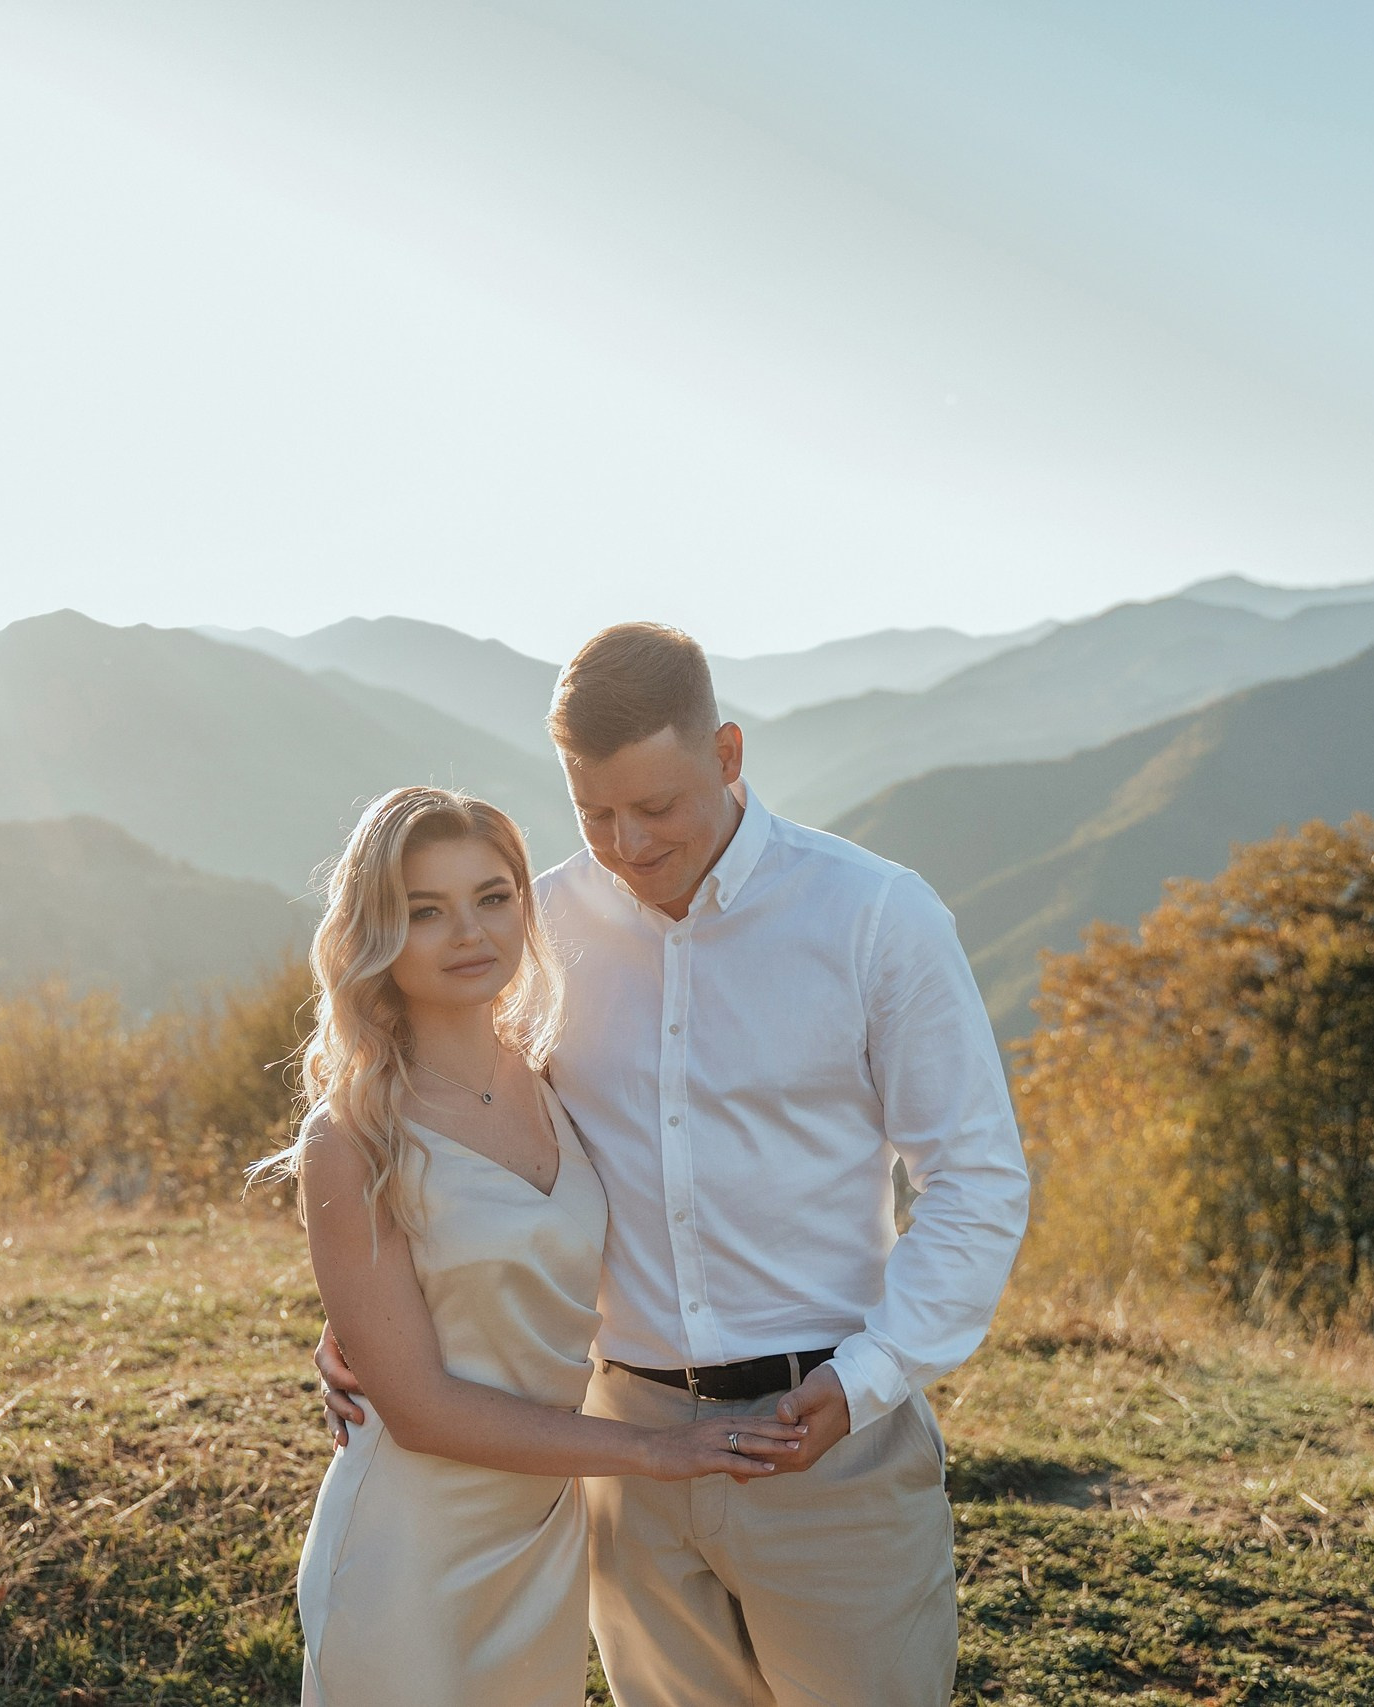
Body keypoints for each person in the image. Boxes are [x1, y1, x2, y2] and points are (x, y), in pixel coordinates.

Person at [319, 623, 1032, 1706]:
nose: (626, 843)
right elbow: (448, 1121)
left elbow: (977, 1181)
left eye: (655, 808)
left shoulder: (874, 917)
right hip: (621, 1453)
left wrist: (868, 1379)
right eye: (594, 813)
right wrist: (370, 1304)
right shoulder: (535, 923)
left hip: (828, 1439)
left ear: (730, 755)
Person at [253, 784, 810, 1707]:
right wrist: (661, 1451)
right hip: (413, 1547)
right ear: (374, 933)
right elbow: (422, 1409)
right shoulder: (348, 1135)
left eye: (493, 896)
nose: (468, 931)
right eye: (424, 910)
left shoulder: (556, 1071)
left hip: (544, 1532)